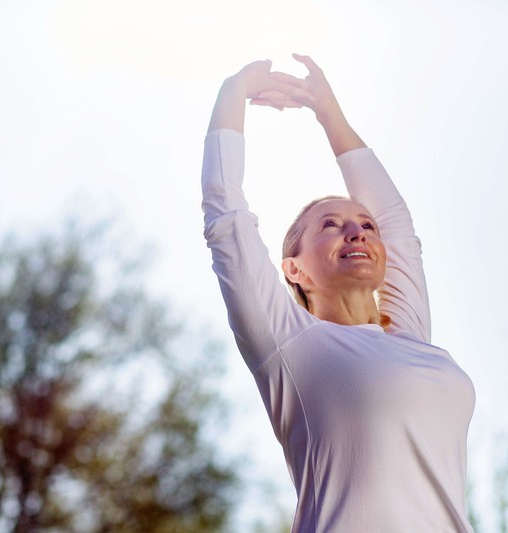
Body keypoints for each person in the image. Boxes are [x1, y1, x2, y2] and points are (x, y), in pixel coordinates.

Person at [201, 54, 476, 532]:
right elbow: (226, 218)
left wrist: (328, 111)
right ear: (295, 270)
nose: (358, 232)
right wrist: (233, 91)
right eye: (331, 225)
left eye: (366, 226)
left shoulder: (409, 334)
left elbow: (397, 224)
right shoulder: (289, 342)